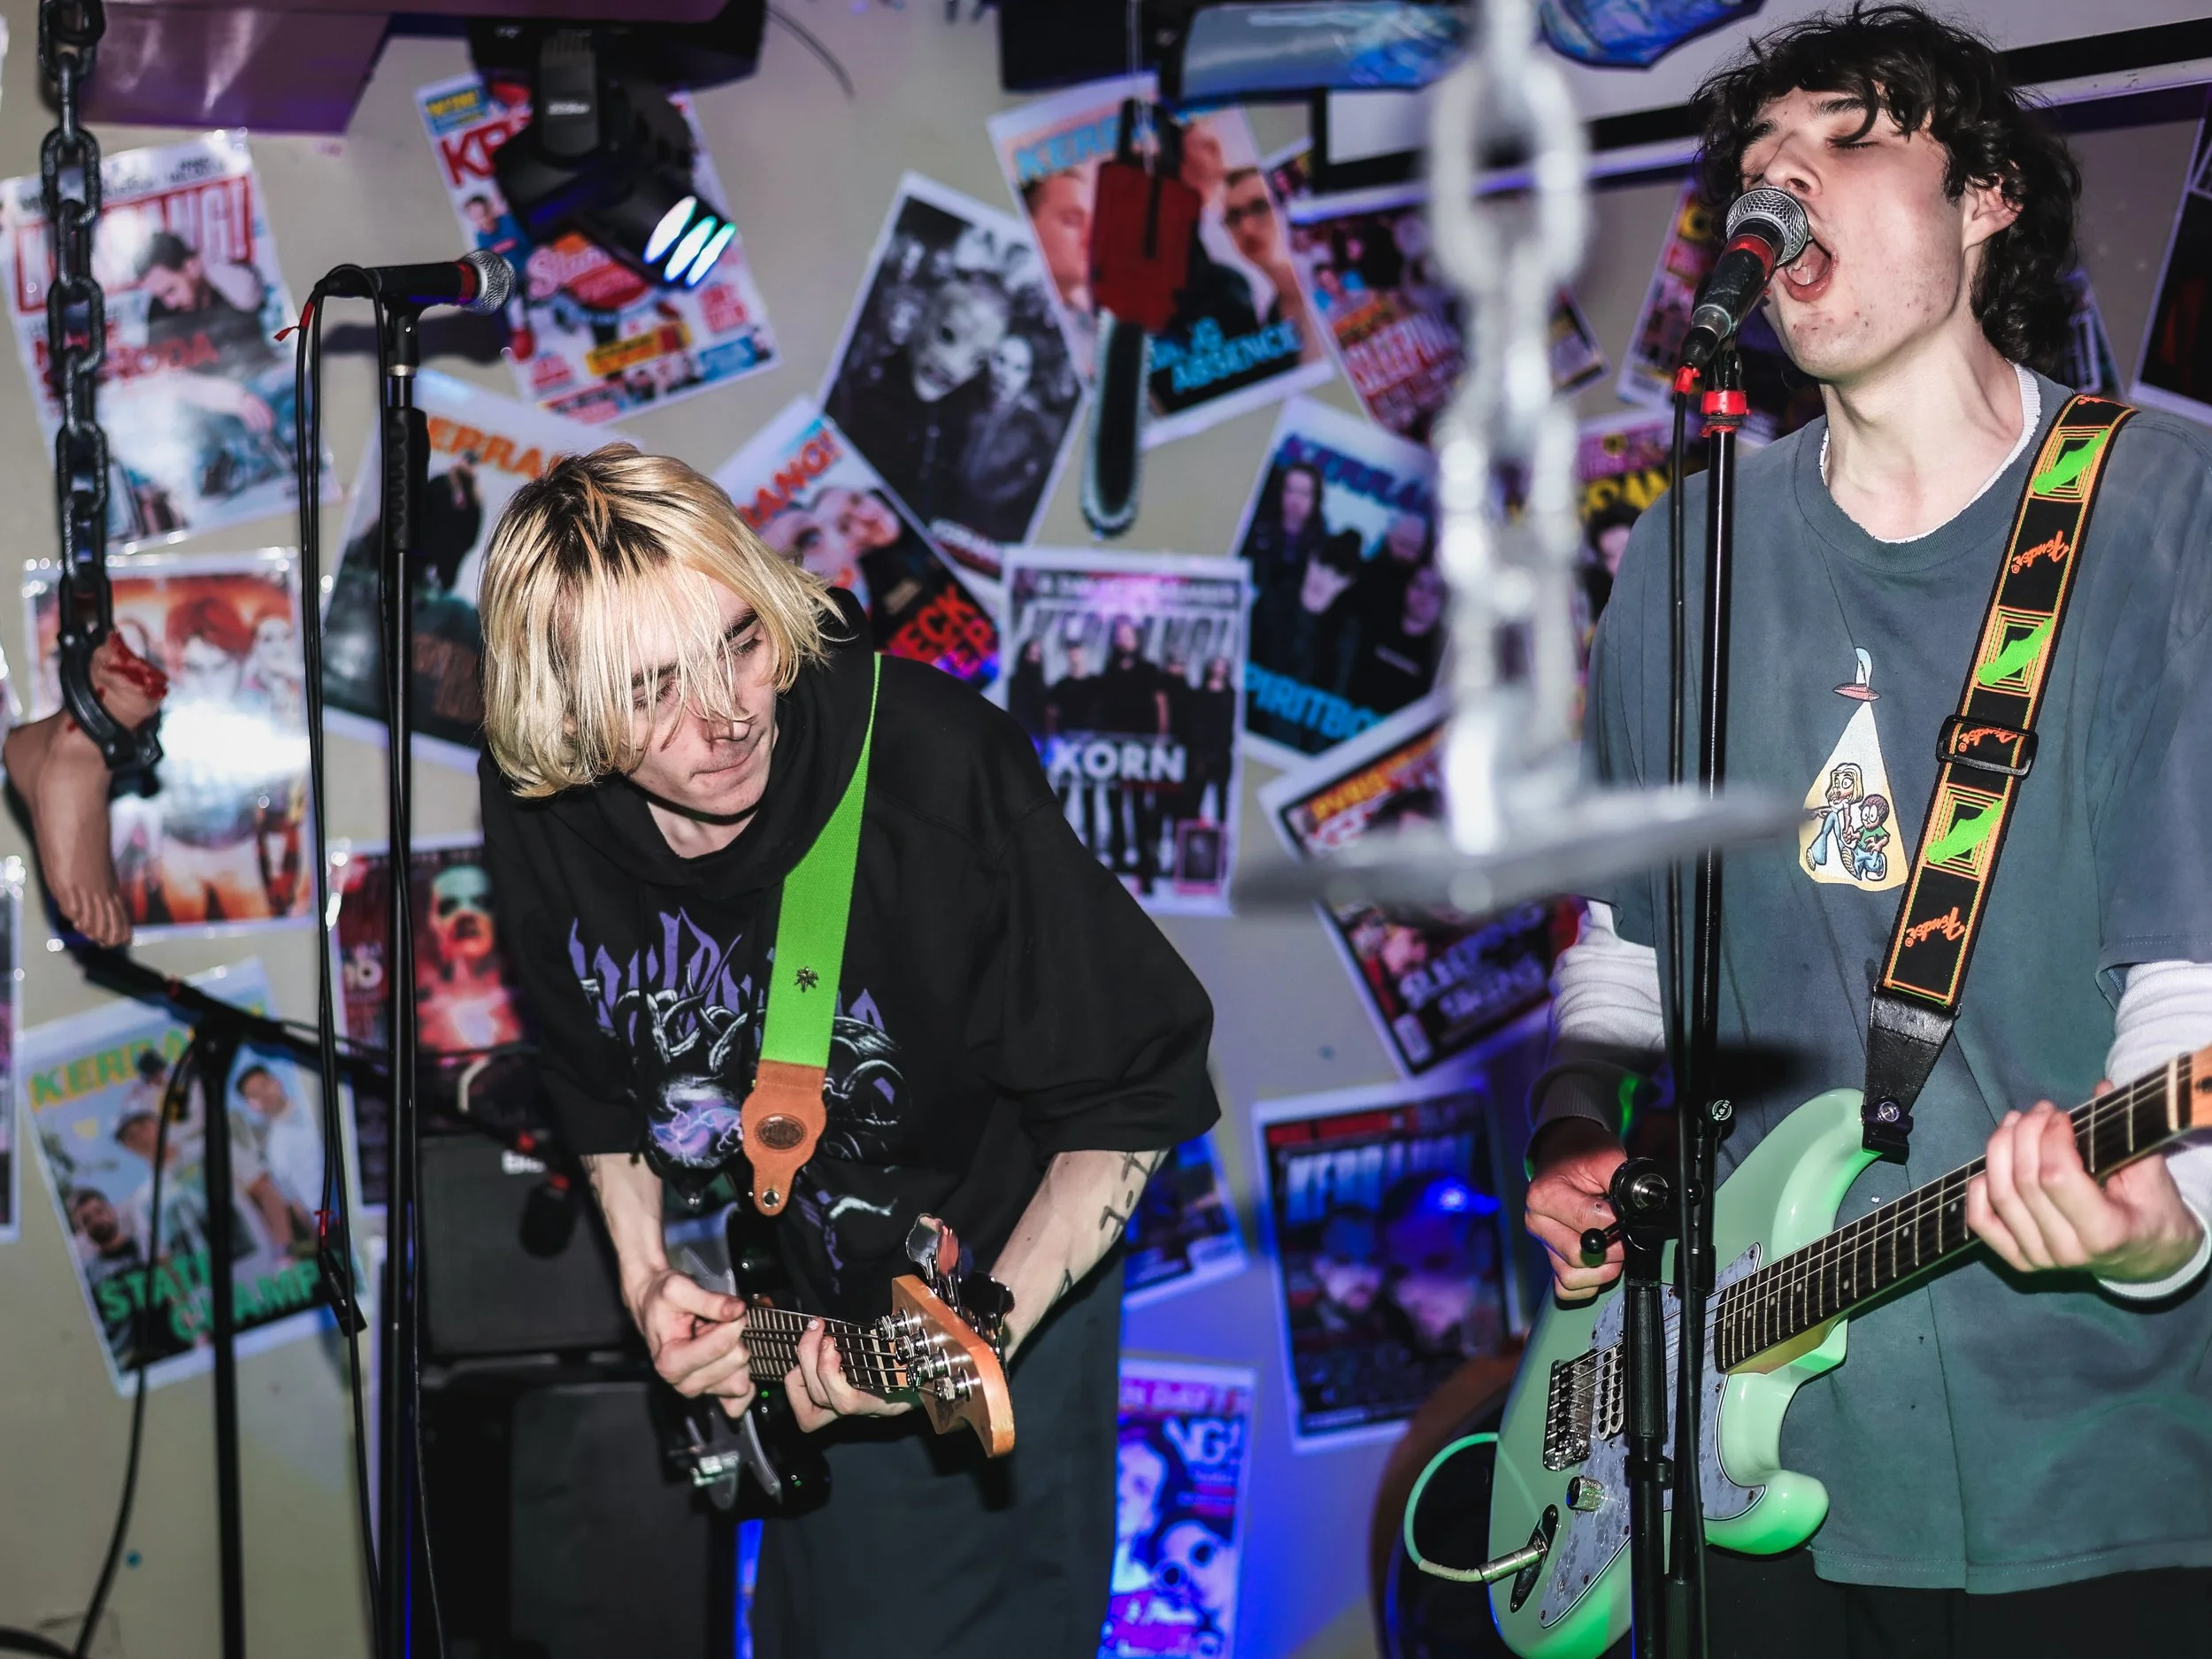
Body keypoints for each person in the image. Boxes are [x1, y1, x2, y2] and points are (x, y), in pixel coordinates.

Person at [1525, 8, 2212, 1655]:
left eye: (1843, 142)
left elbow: (2189, 988)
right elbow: (1627, 950)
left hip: (2081, 1463)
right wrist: (1570, 1129)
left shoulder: (2163, 514)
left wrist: (2153, 1230)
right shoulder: (1684, 553)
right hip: (1730, 1444)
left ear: (1986, 199)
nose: (1783, 186)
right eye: (1760, 169)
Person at [473, 445, 1217, 1655]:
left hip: (990, 1267)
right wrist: (642, 1267)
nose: (724, 720)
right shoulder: (546, 809)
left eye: (742, 644)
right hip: (796, 1294)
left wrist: (973, 1329)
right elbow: (583, 1062)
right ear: (563, 715)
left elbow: (1138, 1094)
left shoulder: (934, 775)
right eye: (653, 687)